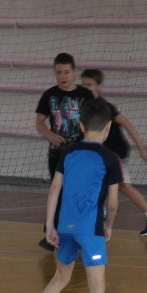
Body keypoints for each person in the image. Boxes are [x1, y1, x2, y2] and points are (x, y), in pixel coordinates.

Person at [21, 98, 124, 293]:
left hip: (65, 226)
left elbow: (54, 188)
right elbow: (113, 203)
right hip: (90, 230)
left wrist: (50, 225)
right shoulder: (110, 159)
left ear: (80, 126)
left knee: (60, 278)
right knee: (97, 287)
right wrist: (109, 226)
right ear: (108, 127)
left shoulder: (68, 152)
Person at [79, 70, 147, 235]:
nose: (86, 88)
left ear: (99, 86)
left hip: (115, 153)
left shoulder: (105, 108)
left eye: (89, 85)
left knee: (120, 184)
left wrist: (141, 147)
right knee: (114, 183)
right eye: (83, 85)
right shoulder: (84, 106)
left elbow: (127, 124)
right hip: (102, 154)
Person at [33, 53, 94, 251]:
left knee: (78, 193)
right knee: (58, 192)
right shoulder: (49, 95)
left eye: (67, 72)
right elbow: (39, 122)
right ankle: (51, 234)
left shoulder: (86, 95)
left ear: (74, 72)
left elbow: (94, 123)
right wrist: (50, 135)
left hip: (81, 154)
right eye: (59, 73)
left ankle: (77, 233)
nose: (63, 76)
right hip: (57, 154)